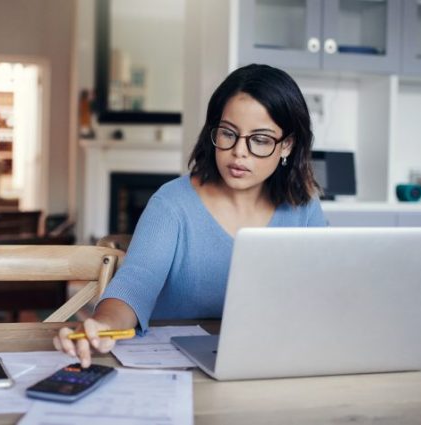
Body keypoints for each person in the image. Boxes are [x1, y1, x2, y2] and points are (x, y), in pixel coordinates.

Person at [54, 64, 327, 366]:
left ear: (286, 145)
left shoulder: (303, 207)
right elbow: (135, 284)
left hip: (269, 361)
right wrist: (104, 325)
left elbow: (325, 291)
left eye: (260, 139)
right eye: (228, 134)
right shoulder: (171, 204)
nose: (239, 152)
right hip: (177, 367)